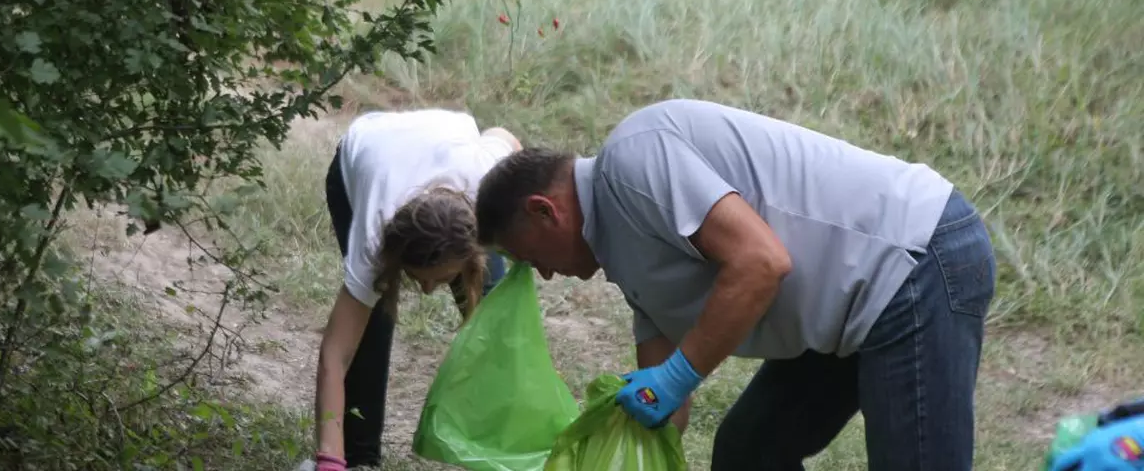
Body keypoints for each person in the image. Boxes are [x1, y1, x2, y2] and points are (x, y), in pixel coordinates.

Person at [474, 98, 998, 471]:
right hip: (847, 304)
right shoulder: (622, 253)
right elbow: (665, 408)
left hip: (913, 261)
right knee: (749, 452)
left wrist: (677, 377)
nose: (542, 273)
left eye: (527, 257)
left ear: (545, 211)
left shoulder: (633, 160)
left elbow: (761, 262)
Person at [312, 108, 521, 471]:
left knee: (498, 324)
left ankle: (503, 448)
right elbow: (335, 354)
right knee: (369, 326)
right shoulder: (374, 236)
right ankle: (360, 460)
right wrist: (328, 459)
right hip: (363, 154)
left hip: (447, 154)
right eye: (417, 276)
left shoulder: (489, 179)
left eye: (439, 279)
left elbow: (505, 134)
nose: (426, 291)